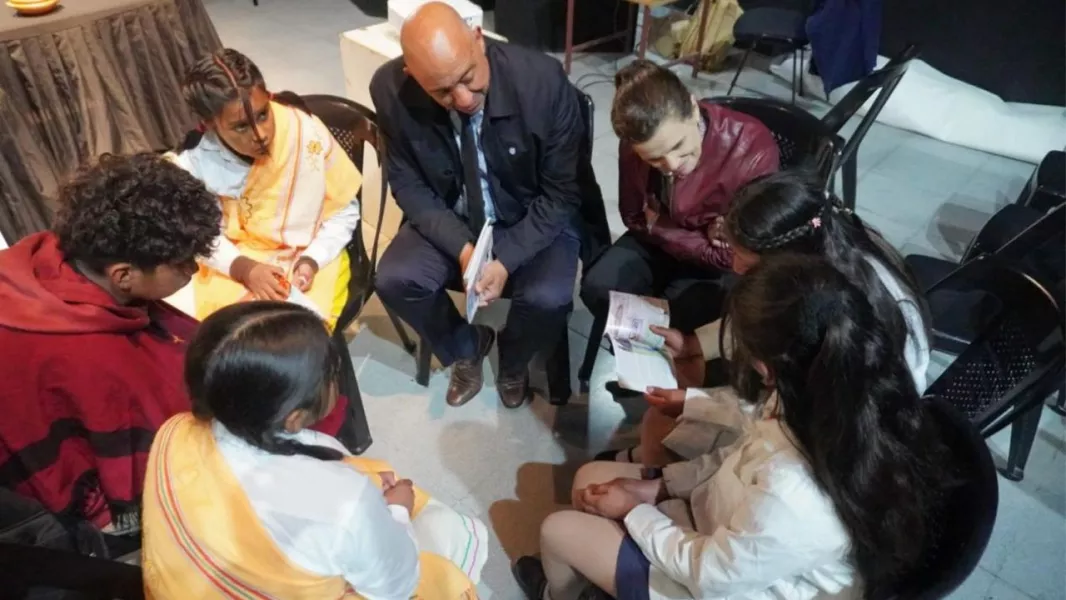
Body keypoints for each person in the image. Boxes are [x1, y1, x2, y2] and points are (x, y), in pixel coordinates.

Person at [513, 254, 958, 600]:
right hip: (732, 534)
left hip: (731, 584)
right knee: (590, 479)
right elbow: (737, 458)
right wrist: (658, 488)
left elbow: (710, 575)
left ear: (765, 366)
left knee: (558, 530)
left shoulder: (797, 494)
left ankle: (558, 593)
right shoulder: (828, 389)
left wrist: (635, 511)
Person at [142, 302, 487, 598]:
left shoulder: (174, 431)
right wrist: (397, 510)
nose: (336, 379)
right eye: (331, 373)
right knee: (449, 530)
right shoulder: (343, 504)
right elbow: (395, 587)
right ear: (293, 418)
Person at [604, 170, 932, 466]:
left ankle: (659, 469)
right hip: (814, 411)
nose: (735, 268)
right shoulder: (828, 260)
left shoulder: (843, 314)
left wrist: (697, 404)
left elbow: (786, 414)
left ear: (788, 260)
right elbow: (768, 320)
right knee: (676, 400)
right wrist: (696, 344)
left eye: (746, 262)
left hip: (836, 441)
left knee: (670, 421)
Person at [370, 2, 608, 409]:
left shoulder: (542, 82)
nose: (463, 99)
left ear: (478, 38)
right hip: (456, 214)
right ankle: (467, 345)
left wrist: (506, 259)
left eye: (468, 78)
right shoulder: (389, 89)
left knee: (549, 297)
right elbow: (408, 184)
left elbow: (562, 194)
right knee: (395, 279)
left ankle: (513, 359)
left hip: (532, 213)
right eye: (442, 91)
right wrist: (464, 249)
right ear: (413, 76)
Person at [0, 154, 218, 530]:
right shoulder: (91, 359)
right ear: (124, 276)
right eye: (183, 262)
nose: (194, 269)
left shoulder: (46, 260)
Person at [579, 59, 779, 336]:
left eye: (679, 146)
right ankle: (636, 351)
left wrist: (657, 224)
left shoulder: (751, 149)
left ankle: (660, 352)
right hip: (668, 244)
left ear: (693, 109)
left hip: (710, 266)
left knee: (680, 313)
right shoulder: (635, 144)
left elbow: (731, 256)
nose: (672, 165)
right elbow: (634, 217)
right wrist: (699, 233)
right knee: (598, 289)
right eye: (654, 159)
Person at [167, 48, 363, 327]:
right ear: (210, 124)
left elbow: (343, 211)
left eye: (262, 115)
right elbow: (200, 235)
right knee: (237, 336)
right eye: (241, 127)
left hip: (312, 251)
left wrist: (312, 260)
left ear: (269, 97)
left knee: (301, 332)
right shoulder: (195, 164)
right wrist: (245, 270)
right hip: (235, 260)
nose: (260, 135)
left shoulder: (303, 132)